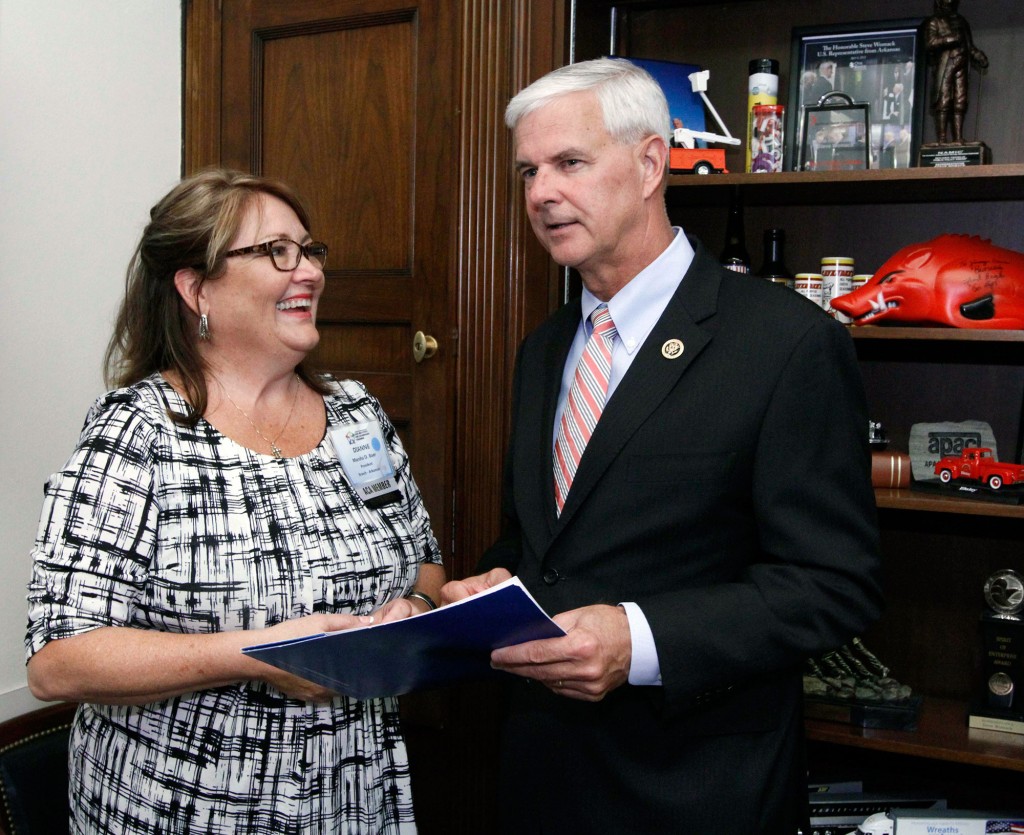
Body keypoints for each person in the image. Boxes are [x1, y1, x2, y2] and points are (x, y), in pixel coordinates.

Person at [441, 58, 882, 834]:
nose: (541, 193)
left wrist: (638, 638)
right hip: (541, 775)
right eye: (528, 171)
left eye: (569, 163)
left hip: (695, 788)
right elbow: (549, 537)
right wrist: (497, 579)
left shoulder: (784, 344)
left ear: (650, 164)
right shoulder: (544, 349)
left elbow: (831, 584)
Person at [25, 168, 445, 834]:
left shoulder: (357, 414)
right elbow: (58, 660)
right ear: (197, 288)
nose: (306, 270)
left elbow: (423, 560)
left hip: (352, 792)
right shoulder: (137, 432)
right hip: (183, 804)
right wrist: (261, 652)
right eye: (276, 251)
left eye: (309, 250)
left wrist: (413, 608)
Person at [924, 0, 988, 144]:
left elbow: (969, 45)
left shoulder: (961, 21)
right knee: (943, 100)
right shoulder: (934, 21)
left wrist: (978, 56)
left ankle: (958, 138)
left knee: (960, 100)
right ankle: (942, 139)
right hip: (945, 64)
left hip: (961, 63)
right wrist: (950, 39)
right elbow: (930, 43)